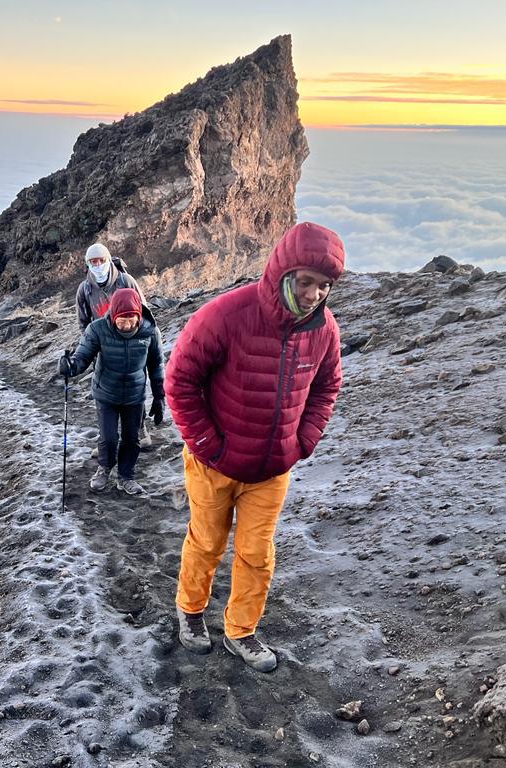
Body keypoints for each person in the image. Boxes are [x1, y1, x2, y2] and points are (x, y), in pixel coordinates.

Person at [165, 222, 344, 672]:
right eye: (306, 282)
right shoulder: (225, 314)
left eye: (324, 286)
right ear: (284, 271)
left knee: (257, 555)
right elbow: (180, 380)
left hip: (271, 470)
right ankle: (190, 611)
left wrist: (302, 441)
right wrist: (206, 445)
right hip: (213, 464)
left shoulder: (324, 330)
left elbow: (327, 387)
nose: (314, 295)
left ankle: (241, 630)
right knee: (207, 542)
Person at [59, 288, 164, 496]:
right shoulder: (97, 329)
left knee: (131, 439)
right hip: (106, 392)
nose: (127, 325)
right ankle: (104, 468)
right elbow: (83, 357)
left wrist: (159, 397)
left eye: (132, 319)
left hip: (134, 394)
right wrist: (70, 366)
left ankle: (126, 477)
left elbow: (156, 365)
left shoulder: (150, 332)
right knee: (108, 438)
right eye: (121, 320)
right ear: (113, 315)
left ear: (139, 315)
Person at [75, 242, 153, 449]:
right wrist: (91, 344)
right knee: (104, 392)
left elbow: (144, 312)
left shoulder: (126, 281)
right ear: (87, 264)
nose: (98, 265)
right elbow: (83, 322)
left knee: (133, 386)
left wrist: (142, 340)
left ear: (109, 260)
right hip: (102, 346)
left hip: (131, 341)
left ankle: (140, 429)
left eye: (101, 260)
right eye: (93, 262)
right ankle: (107, 438)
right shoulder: (84, 289)